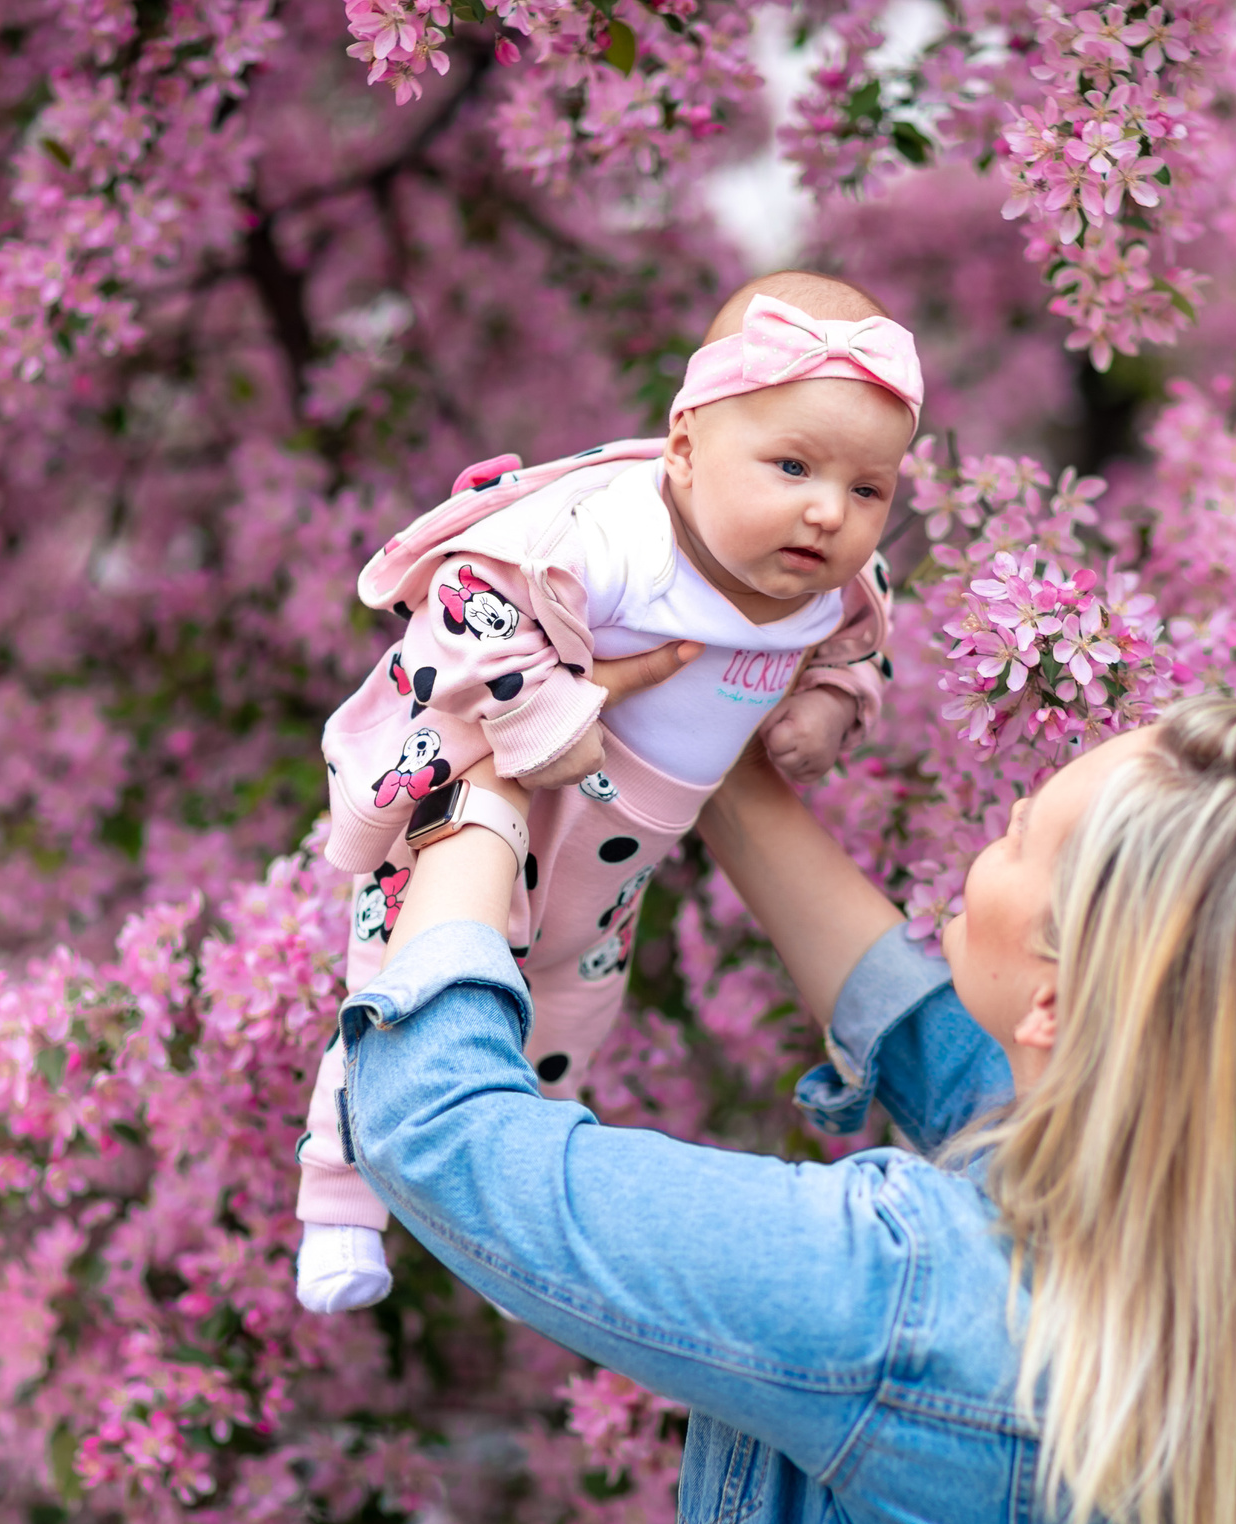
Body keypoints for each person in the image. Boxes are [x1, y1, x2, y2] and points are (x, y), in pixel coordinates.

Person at [335, 690, 1236, 1524]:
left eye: (1020, 832)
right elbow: (958, 1059)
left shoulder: (911, 1301)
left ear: (1057, 1005)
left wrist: (480, 774)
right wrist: (707, 733)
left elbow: (440, 1128)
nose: (998, 821)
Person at [294, 270, 921, 1313]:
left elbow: (860, 647)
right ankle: (339, 1194)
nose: (827, 511)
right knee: (411, 980)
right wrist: (547, 713)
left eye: (869, 490)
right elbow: (463, 605)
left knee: (567, 1018)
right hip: (491, 800)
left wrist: (826, 707)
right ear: (684, 447)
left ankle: (509, 1213)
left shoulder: (834, 590)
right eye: (792, 466)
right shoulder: (621, 539)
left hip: (621, 857)